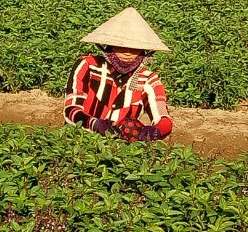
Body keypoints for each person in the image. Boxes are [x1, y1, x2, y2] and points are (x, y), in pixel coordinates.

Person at [64, 7, 174, 142]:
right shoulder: (88, 66)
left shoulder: (148, 79)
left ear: (143, 51)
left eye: (134, 48)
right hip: (79, 139)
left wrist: (155, 131)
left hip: (120, 147)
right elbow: (71, 109)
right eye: (120, 46)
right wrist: (95, 124)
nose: (127, 52)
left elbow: (163, 117)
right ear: (109, 46)